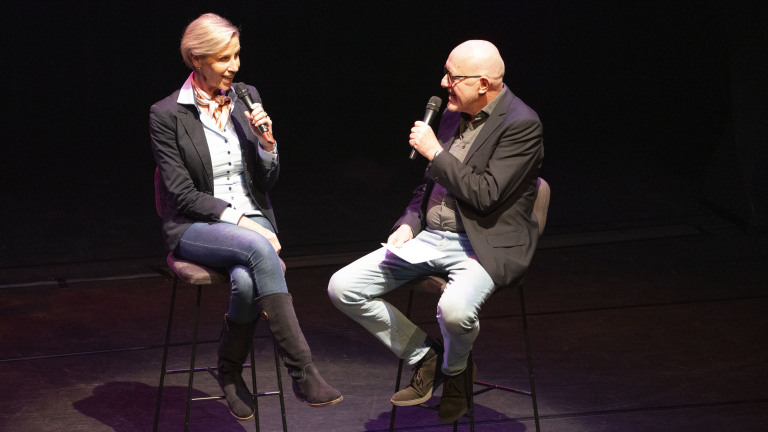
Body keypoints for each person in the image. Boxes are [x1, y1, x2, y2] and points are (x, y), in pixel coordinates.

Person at [328, 40, 543, 423]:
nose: (444, 83)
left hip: (483, 242)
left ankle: (456, 372)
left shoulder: (522, 124)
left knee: (456, 312)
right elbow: (427, 188)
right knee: (343, 287)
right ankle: (425, 357)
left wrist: (435, 153)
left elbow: (486, 194)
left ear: (482, 84)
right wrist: (409, 224)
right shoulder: (450, 114)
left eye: (452, 76)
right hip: (432, 237)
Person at [150, 13, 342, 420]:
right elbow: (181, 194)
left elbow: (266, 180)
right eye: (223, 58)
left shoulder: (246, 96)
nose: (234, 66)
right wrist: (242, 223)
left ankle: (229, 372)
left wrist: (267, 144)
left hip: (253, 218)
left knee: (245, 281)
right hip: (195, 225)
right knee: (257, 247)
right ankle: (302, 370)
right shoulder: (166, 115)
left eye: (236, 56)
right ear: (197, 60)